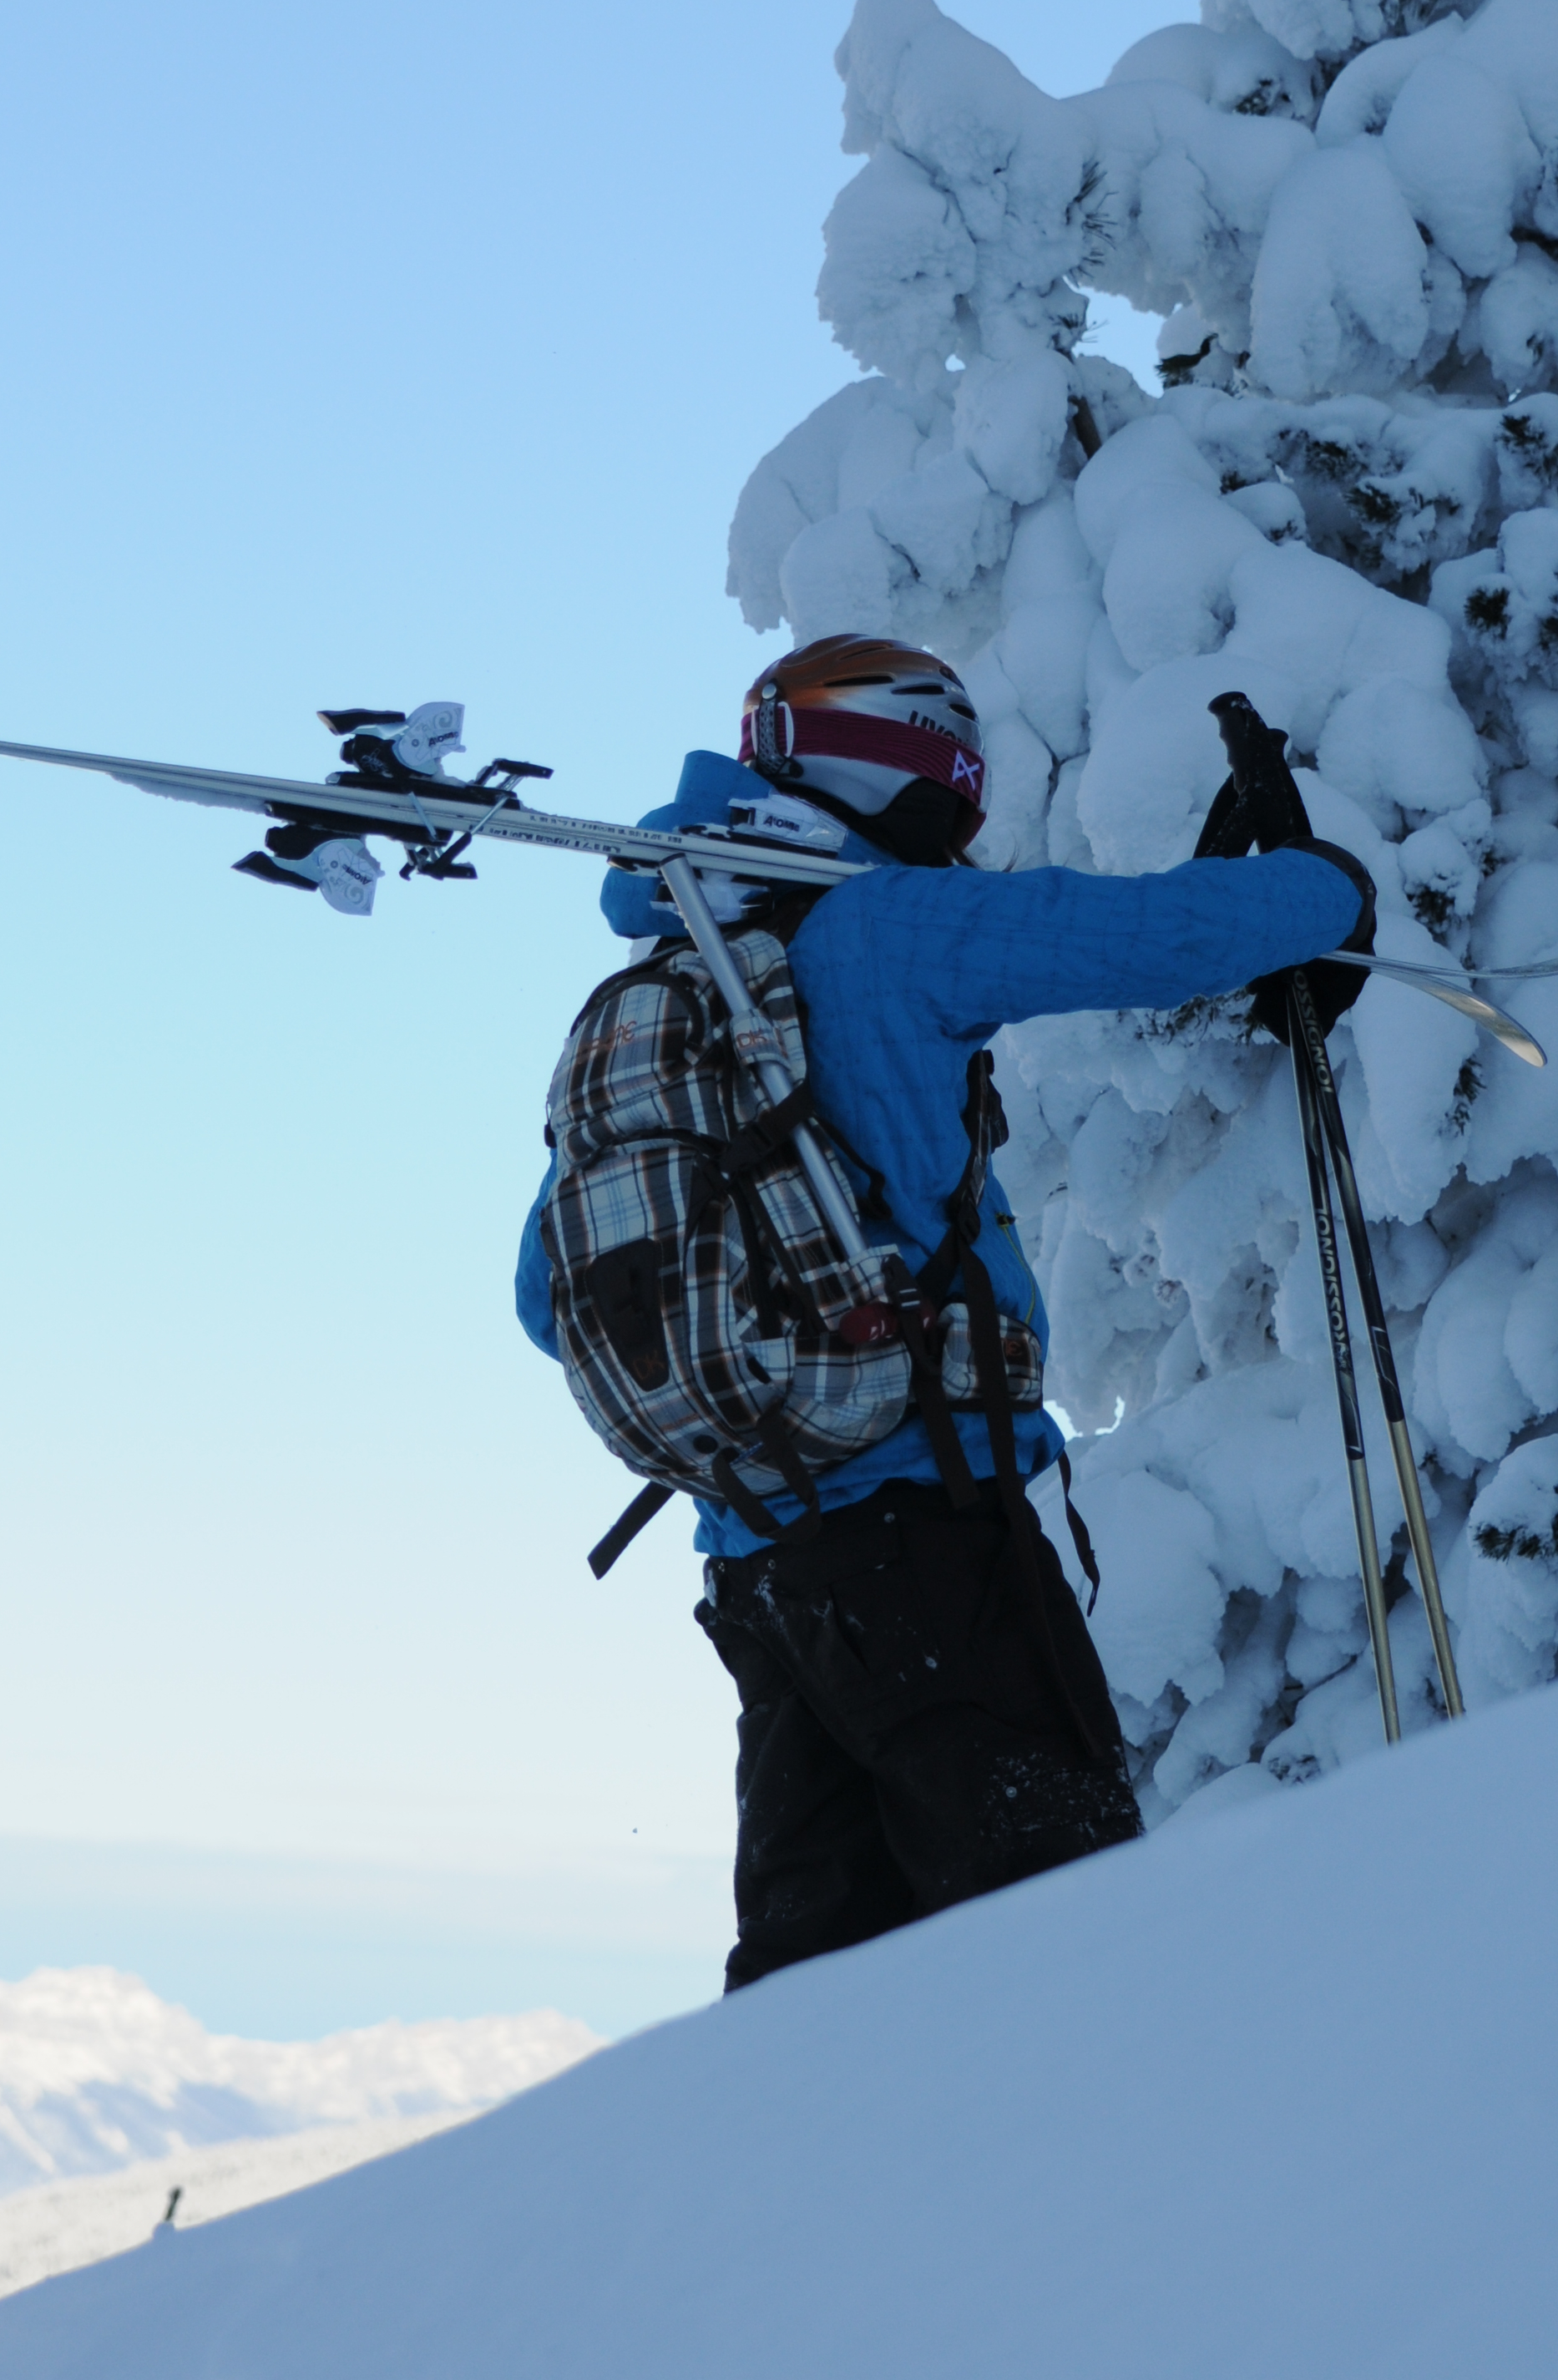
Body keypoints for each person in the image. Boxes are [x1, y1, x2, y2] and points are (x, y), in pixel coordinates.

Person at [517, 634, 1374, 1993]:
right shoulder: (885, 928)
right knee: (1066, 1948)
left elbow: (542, 1294)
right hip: (930, 1548)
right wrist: (1324, 890)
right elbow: (1145, 938)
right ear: (914, 767)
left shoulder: (666, 1000)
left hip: (763, 1581)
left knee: (814, 1985)